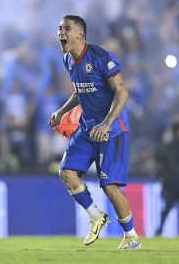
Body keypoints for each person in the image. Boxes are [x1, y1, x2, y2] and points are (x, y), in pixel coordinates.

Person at [49, 15, 140, 249]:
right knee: (67, 172)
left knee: (110, 187)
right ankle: (96, 216)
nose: (61, 32)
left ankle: (131, 237)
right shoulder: (68, 60)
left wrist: (107, 124)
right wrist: (61, 112)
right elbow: (81, 90)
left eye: (66, 28)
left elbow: (122, 93)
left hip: (113, 129)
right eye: (59, 29)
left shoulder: (101, 57)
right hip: (88, 128)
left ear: (80, 33)